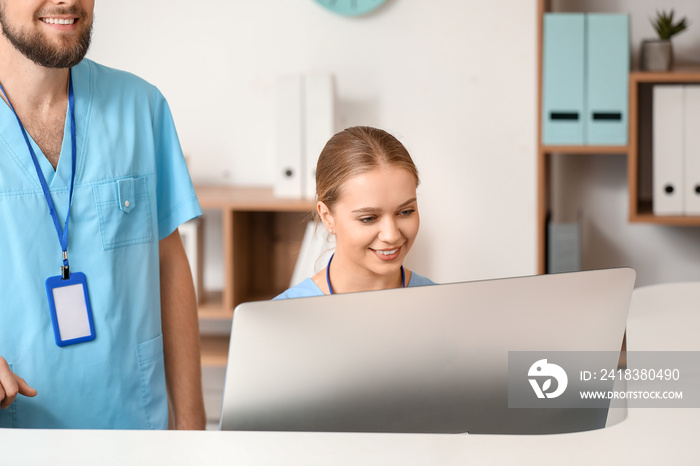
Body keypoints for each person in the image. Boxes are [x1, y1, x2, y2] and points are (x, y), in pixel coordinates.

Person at [0, 0, 205, 429]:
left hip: (133, 426)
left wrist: (191, 427)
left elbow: (168, 263)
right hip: (16, 434)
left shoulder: (141, 107)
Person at [275, 126, 434, 299]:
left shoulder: (443, 303)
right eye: (369, 218)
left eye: (405, 212)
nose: (392, 235)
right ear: (328, 218)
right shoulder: (282, 317)